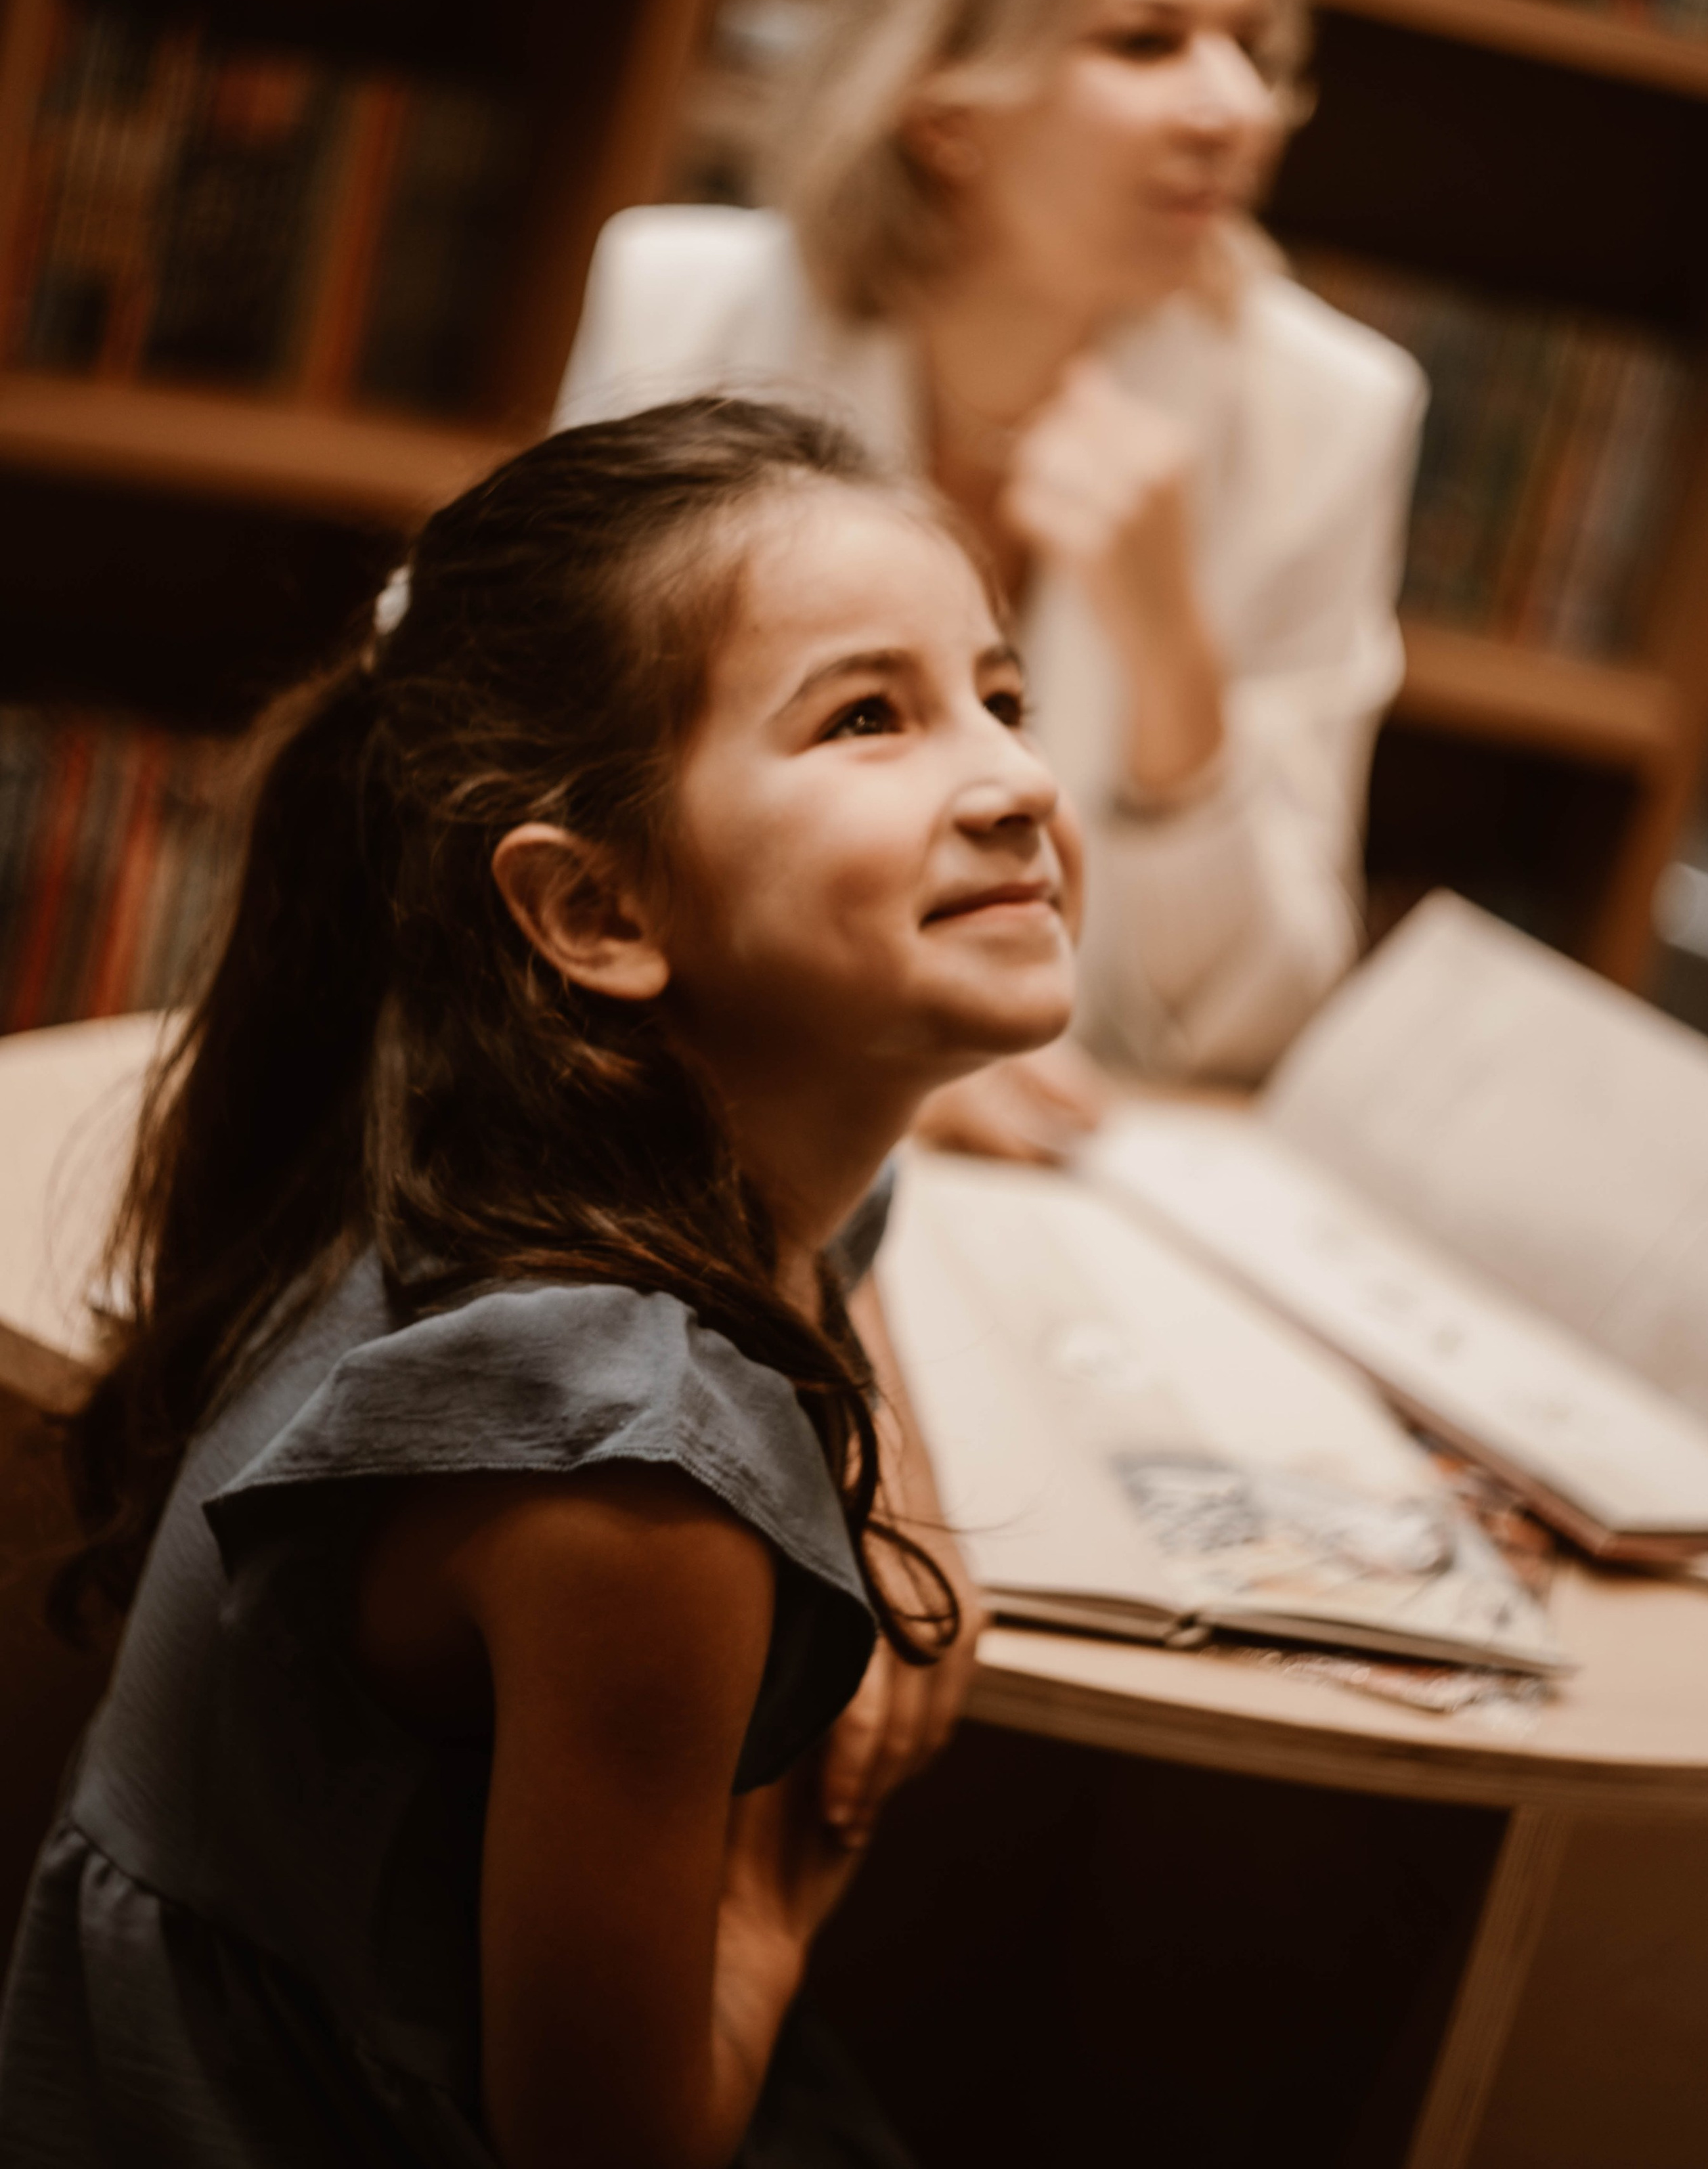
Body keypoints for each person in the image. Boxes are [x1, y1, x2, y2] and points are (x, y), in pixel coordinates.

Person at [0, 399, 1078, 2168]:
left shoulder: (515, 1123)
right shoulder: (631, 1483)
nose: (1019, 779)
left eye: (1005, 697)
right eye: (870, 717)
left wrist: (903, 1513)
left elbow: (836, 1249)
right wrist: (781, 1876)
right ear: (595, 911)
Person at [557, 0, 1427, 1154]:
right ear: (943, 107)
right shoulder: (690, 312)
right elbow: (504, 803)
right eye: (1148, 41)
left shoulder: (1331, 414)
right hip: (682, 1126)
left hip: (1075, 1173)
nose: (1235, 104)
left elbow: (1249, 1016)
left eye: (1251, 47)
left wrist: (1169, 657)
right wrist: (878, 1069)